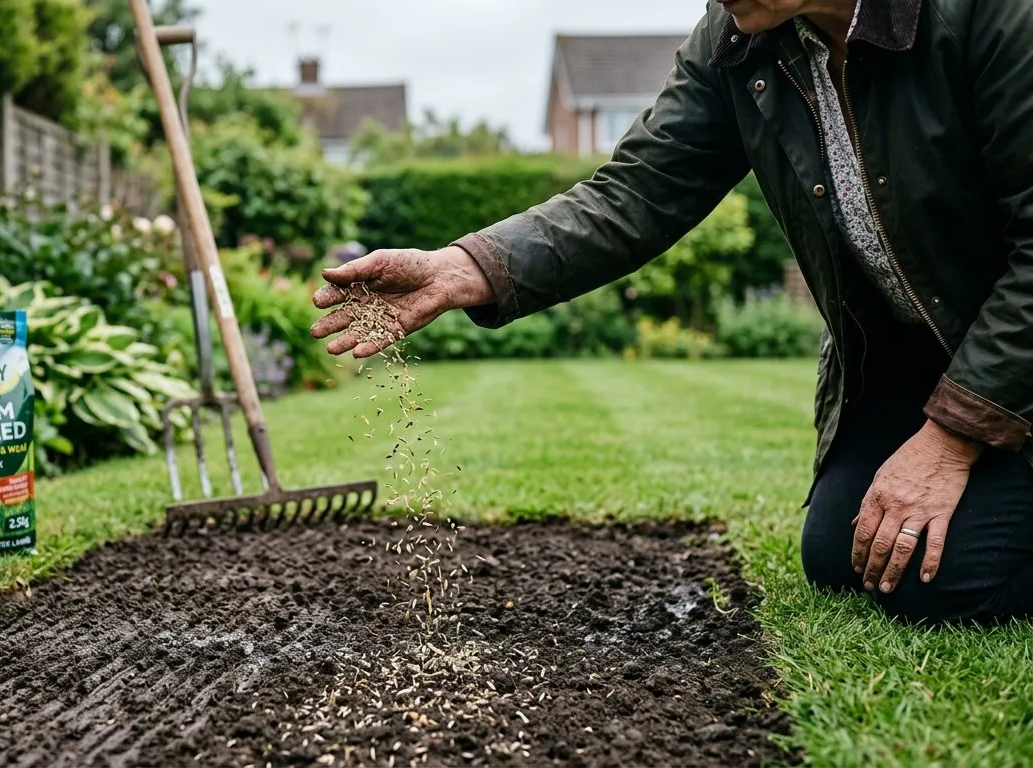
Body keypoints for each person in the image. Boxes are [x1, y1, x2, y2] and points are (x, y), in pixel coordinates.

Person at [309, 0, 1033, 626]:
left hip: (1009, 359)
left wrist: (952, 438)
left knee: (943, 578)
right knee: (842, 553)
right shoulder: (746, 36)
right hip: (922, 361)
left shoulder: (991, 17)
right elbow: (638, 193)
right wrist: (460, 268)